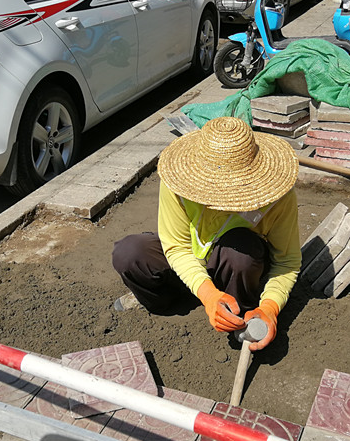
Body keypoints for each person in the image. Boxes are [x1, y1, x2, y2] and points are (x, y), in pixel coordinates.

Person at [112, 117, 302, 352]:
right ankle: (166, 299)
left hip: (236, 272)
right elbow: (177, 248)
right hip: (191, 260)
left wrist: (270, 308)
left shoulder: (277, 196)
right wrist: (208, 295)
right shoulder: (177, 182)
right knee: (130, 253)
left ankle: (237, 315)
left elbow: (287, 262)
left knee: (240, 251)